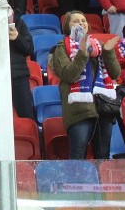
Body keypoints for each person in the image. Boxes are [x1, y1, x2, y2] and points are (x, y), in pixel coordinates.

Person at [49, 11, 121, 159]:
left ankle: (102, 183)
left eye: (83, 20)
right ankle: (76, 183)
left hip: (103, 109)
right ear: (67, 27)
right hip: (79, 110)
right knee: (78, 156)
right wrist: (82, 53)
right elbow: (69, 75)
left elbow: (115, 74)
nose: (80, 23)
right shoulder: (61, 47)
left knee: (103, 156)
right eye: (75, 21)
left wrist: (108, 52)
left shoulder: (99, 46)